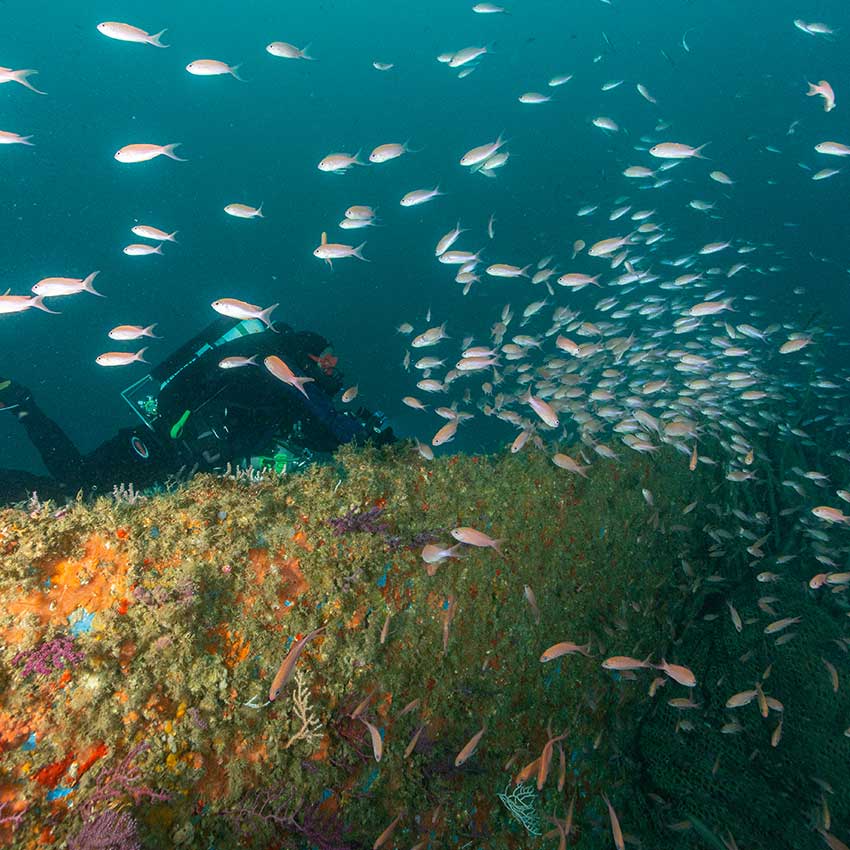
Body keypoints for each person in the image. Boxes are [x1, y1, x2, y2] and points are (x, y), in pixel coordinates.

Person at [0, 316, 393, 503]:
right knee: (76, 485)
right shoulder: (285, 373)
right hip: (164, 448)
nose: (333, 365)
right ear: (307, 355)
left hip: (169, 452)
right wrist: (374, 440)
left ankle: (22, 407)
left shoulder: (274, 382)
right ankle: (23, 405)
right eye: (327, 356)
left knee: (76, 486)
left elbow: (312, 430)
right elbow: (326, 424)